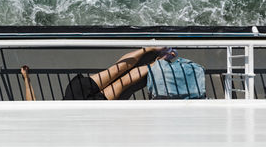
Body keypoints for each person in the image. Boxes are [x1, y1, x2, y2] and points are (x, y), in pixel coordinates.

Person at [21, 47, 176, 101]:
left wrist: (26, 79)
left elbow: (31, 103)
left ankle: (152, 52)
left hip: (76, 96)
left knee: (117, 73)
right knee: (121, 78)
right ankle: (154, 58)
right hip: (85, 103)